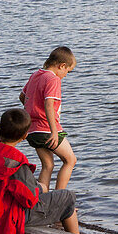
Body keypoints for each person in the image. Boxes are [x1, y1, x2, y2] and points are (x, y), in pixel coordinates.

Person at [0, 107, 79, 234]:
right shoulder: (17, 162)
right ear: (25, 136)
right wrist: (39, 188)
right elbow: (29, 199)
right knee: (67, 197)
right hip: (10, 218)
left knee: (43, 190)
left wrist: (38, 187)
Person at [19, 47, 78, 191]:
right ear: (61, 66)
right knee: (70, 160)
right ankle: (60, 199)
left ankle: (41, 200)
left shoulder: (35, 75)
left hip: (32, 130)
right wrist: (53, 132)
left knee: (48, 165)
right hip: (47, 129)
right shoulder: (53, 79)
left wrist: (32, 111)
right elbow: (49, 104)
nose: (65, 75)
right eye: (67, 72)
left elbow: (22, 97)